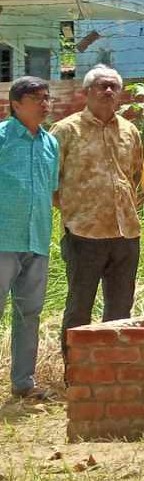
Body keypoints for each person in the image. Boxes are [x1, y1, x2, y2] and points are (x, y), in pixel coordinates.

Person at [51, 65, 143, 356]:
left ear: (120, 94)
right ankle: (76, 374)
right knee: (80, 308)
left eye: (113, 87)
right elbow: (51, 181)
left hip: (125, 233)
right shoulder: (66, 130)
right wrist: (74, 211)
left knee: (120, 309)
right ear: (86, 91)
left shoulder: (130, 131)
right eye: (101, 86)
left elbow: (136, 176)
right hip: (83, 234)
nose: (108, 91)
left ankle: (111, 373)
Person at [0, 77, 59, 400]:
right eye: (37, 98)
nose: (45, 104)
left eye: (47, 98)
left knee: (29, 313)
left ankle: (24, 383)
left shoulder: (51, 143)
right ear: (16, 103)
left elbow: (50, 191)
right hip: (3, 238)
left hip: (37, 239)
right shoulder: (2, 138)